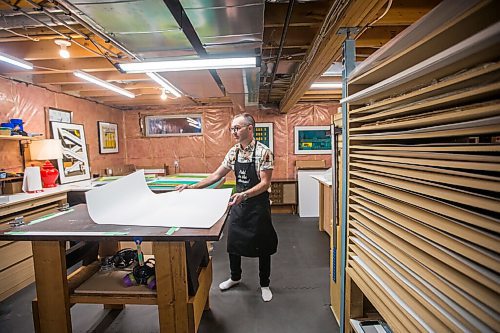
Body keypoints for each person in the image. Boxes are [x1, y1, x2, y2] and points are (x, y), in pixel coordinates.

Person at [176, 113, 278, 302]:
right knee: (234, 244)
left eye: (237, 128)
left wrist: (245, 194)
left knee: (263, 246)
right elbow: (216, 175)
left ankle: (264, 284)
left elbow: (265, 183)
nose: (233, 132)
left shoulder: (264, 152)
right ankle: (235, 277)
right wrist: (191, 187)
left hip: (258, 205)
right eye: (232, 128)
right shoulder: (234, 152)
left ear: (249, 128)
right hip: (239, 205)